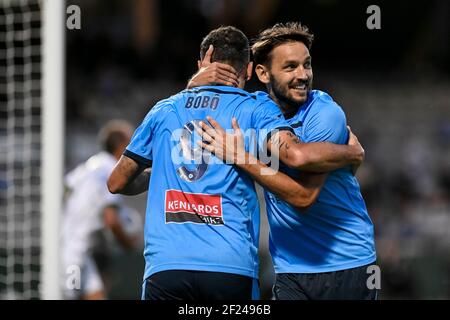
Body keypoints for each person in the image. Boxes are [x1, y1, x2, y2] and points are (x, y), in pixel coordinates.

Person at [107, 26, 364, 300]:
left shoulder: (165, 109)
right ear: (251, 71)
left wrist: (164, 169)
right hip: (230, 265)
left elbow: (116, 182)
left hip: (166, 267)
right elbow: (294, 154)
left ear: (201, 64)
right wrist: (350, 153)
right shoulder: (256, 108)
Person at [190, 22, 378, 300]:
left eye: (307, 65)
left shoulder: (325, 114)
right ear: (263, 73)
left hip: (347, 263)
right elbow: (197, 111)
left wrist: (240, 156)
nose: (303, 75)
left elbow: (303, 196)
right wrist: (194, 84)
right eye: (290, 67)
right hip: (290, 269)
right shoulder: (255, 111)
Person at [61, 120, 140, 300]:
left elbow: (66, 190)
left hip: (79, 249)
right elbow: (111, 219)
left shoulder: (89, 165)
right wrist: (127, 242)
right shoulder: (109, 171)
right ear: (122, 146)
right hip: (73, 255)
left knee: (96, 295)